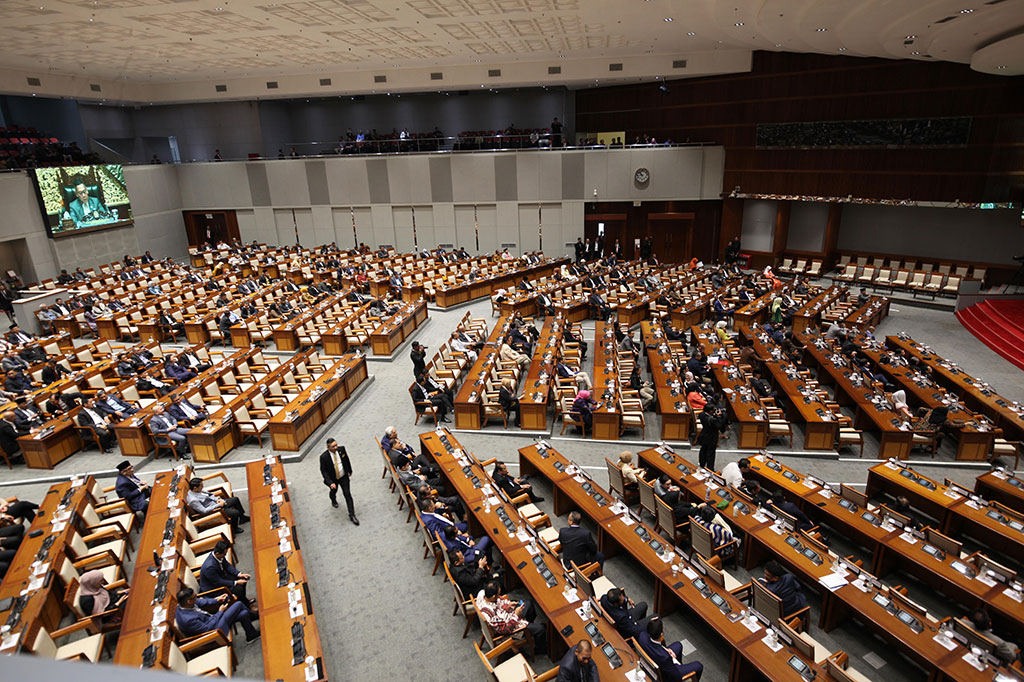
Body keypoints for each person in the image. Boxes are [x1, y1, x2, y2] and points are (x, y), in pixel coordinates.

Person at [476, 581, 546, 654]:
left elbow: (499, 600)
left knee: (529, 603)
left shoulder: (482, 593)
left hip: (506, 615)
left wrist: (508, 604)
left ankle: (531, 629)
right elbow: (506, 630)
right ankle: (539, 649)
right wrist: (516, 615)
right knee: (541, 629)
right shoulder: (489, 615)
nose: (499, 595)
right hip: (510, 629)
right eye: (498, 594)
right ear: (493, 597)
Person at [175, 587, 259, 642]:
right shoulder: (188, 620)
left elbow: (201, 602)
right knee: (239, 604)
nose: (197, 598)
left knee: (243, 614)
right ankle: (255, 615)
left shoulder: (182, 605)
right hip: (213, 631)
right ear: (189, 601)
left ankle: (251, 635)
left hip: (212, 620)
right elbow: (207, 629)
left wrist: (217, 600)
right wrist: (220, 612)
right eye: (195, 597)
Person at [637, 617, 704, 682]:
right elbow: (677, 677)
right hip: (667, 673)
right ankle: (679, 667)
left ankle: (681, 666)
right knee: (698, 666)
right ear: (661, 634)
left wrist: (665, 649)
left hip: (655, 656)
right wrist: (674, 662)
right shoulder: (665, 657)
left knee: (678, 645)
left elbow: (649, 636)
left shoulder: (642, 636)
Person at [319, 438, 358, 524]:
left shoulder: (342, 449)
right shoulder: (324, 457)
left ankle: (352, 515)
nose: (336, 447)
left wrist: (349, 470)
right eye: (333, 446)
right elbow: (324, 471)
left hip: (343, 477)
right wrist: (330, 482)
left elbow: (346, 460)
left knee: (347, 494)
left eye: (336, 445)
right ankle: (333, 499)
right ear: (328, 447)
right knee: (333, 491)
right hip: (333, 479)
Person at [697, 404, 728, 470]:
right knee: (710, 453)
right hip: (711, 437)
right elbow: (719, 426)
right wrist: (719, 416)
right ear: (710, 411)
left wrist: (715, 416)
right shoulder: (712, 420)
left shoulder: (702, 414)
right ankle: (710, 468)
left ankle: (701, 464)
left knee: (703, 450)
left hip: (704, 435)